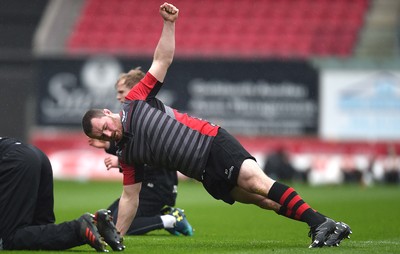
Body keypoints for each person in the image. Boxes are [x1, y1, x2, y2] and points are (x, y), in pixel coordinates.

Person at [82, 2, 352, 248]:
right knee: (264, 200)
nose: (108, 132)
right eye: (102, 134)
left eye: (105, 125)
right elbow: (130, 198)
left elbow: (161, 61)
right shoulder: (127, 155)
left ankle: (319, 224)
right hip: (204, 173)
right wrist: (116, 238)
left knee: (259, 183)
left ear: (108, 112)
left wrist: (169, 23)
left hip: (212, 144)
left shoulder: (134, 101)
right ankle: (328, 224)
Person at [88, 66, 193, 236]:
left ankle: (172, 219)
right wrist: (109, 146)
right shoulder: (131, 117)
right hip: (146, 186)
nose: (118, 96)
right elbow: (133, 146)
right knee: (106, 221)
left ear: (136, 88)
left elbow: (153, 156)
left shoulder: (148, 115)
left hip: (158, 187)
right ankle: (167, 218)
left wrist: (120, 163)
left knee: (121, 226)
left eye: (122, 91)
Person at [0, 136, 123, 252]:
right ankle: (98, 225)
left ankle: (79, 228)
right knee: (40, 231)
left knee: (9, 238)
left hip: (17, 160)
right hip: (35, 155)